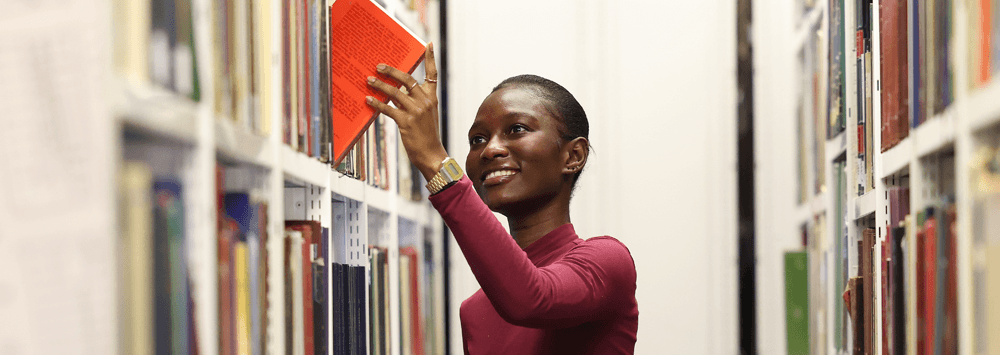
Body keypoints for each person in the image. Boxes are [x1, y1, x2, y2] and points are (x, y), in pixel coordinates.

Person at [365, 43, 638, 354]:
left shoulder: (608, 261)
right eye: (477, 139)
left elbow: (533, 299)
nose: (490, 149)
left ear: (573, 156)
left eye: (517, 129)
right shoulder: (475, 311)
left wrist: (435, 162)